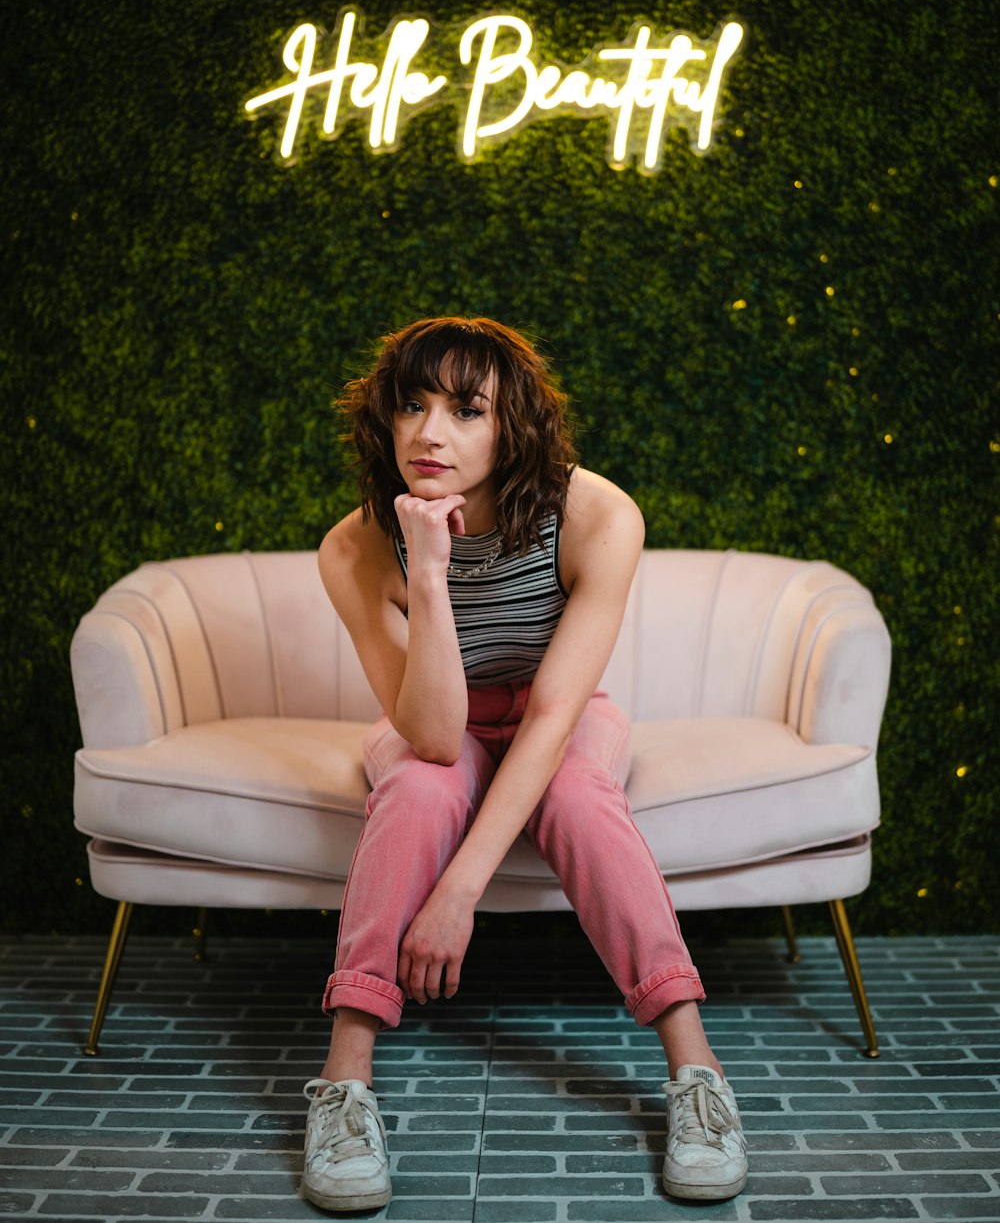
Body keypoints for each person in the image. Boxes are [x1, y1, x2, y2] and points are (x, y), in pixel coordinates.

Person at [302, 316, 748, 1211]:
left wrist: (459, 892)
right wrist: (428, 575)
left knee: (581, 798)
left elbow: (552, 714)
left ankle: (697, 1076)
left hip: (560, 712)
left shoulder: (595, 515)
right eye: (412, 406)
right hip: (439, 719)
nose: (429, 433)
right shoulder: (354, 548)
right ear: (383, 421)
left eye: (466, 410)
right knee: (421, 790)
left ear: (514, 429)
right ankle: (344, 1086)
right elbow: (431, 735)